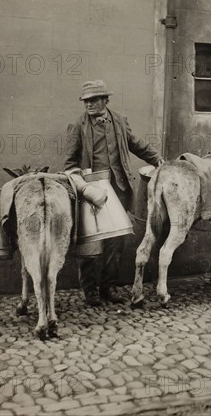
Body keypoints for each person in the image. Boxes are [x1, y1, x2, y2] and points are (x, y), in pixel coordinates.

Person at [64, 80, 164, 306]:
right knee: (89, 241)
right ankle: (90, 291)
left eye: (93, 100)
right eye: (86, 101)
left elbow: (136, 144)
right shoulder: (78, 125)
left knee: (116, 241)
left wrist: (157, 160)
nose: (89, 104)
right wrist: (83, 187)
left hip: (118, 189)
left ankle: (107, 288)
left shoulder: (119, 121)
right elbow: (69, 164)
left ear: (105, 100)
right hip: (90, 192)